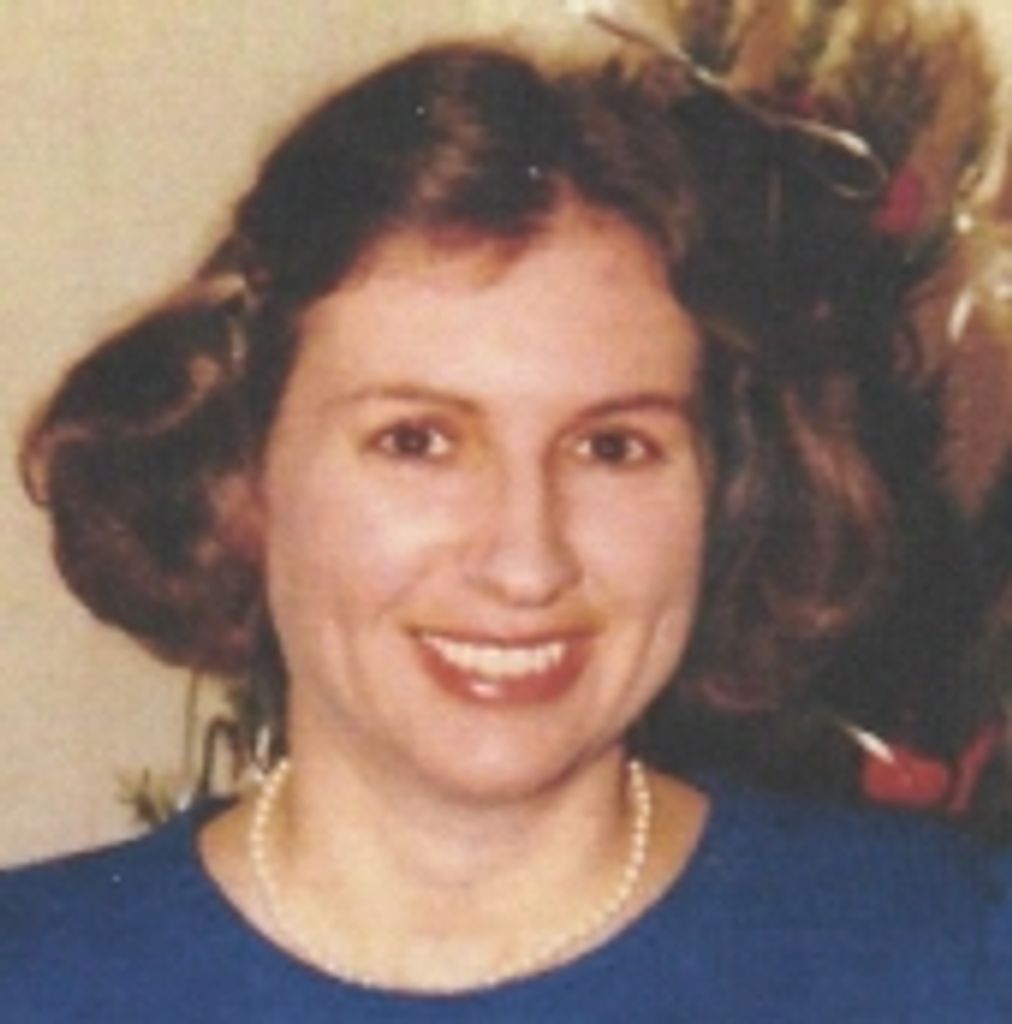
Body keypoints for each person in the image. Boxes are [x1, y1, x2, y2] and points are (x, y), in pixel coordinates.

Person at [3, 24, 1011, 1023]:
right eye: (416, 441)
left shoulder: (949, 956)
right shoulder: (36, 974)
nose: (526, 562)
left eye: (612, 446)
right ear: (241, 474)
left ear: (726, 486)